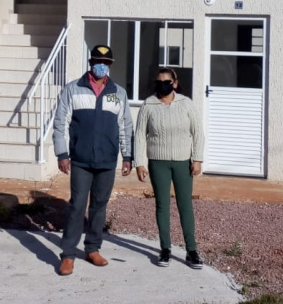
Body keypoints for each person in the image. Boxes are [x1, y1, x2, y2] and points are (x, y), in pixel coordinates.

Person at [52, 44, 134, 276]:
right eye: (98, 62)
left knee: (99, 206)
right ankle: (68, 254)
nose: (102, 66)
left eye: (106, 63)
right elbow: (61, 123)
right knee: (77, 206)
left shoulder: (118, 93)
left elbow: (125, 126)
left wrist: (127, 156)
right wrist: (62, 154)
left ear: (110, 66)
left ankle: (92, 249)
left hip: (107, 160)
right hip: (80, 160)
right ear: (91, 63)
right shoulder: (73, 89)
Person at [134, 67, 205, 269]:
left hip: (183, 162)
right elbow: (140, 135)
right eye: (159, 81)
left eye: (167, 81)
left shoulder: (186, 103)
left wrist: (197, 158)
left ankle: (191, 251)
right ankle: (165, 249)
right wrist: (140, 162)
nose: (162, 85)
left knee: (185, 206)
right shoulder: (148, 105)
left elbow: (198, 132)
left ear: (174, 82)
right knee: (162, 206)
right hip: (158, 162)